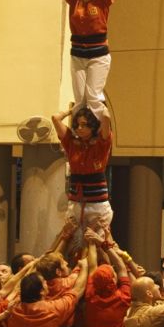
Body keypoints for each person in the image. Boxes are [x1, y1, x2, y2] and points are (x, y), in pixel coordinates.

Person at [54, 0, 115, 120]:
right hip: (78, 55)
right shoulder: (75, 0)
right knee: (80, 99)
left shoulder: (101, 0)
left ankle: (103, 135)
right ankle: (81, 135)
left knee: (93, 98)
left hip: (98, 56)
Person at [52, 101, 115, 236]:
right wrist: (73, 110)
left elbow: (106, 117)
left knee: (99, 243)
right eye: (77, 125)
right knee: (71, 243)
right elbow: (55, 118)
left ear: (93, 126)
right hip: (75, 203)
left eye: (84, 125)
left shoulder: (101, 143)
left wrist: (96, 103)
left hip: (97, 204)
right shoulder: (71, 143)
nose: (79, 128)